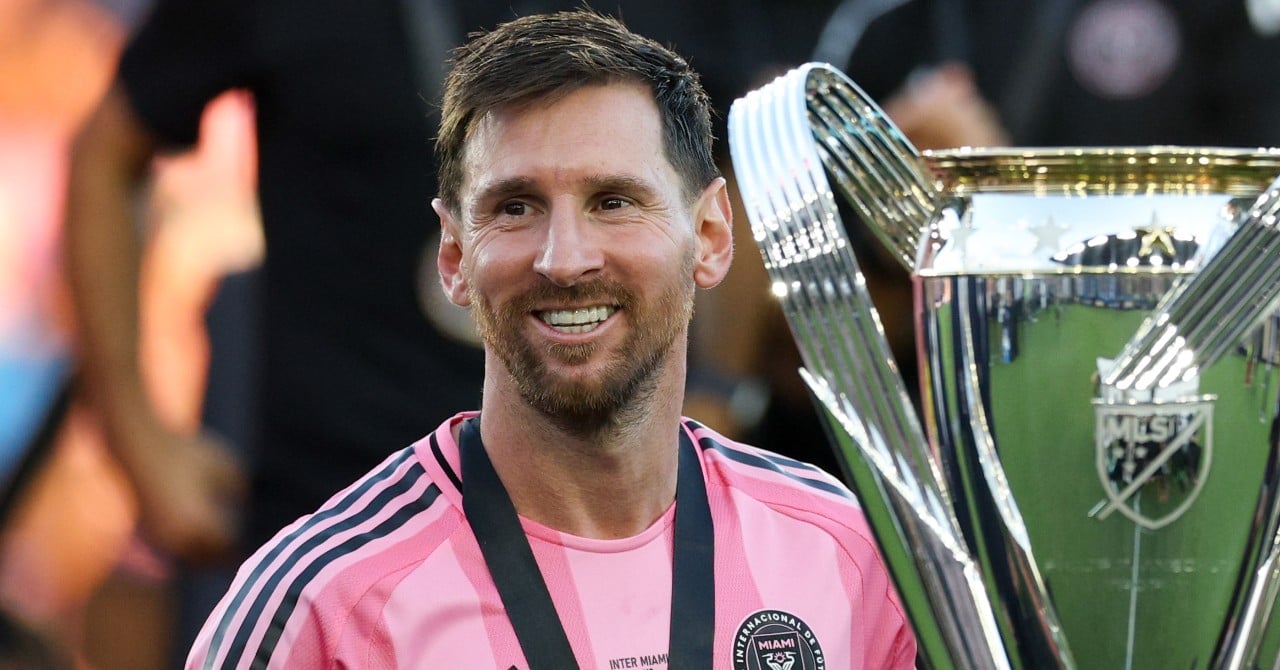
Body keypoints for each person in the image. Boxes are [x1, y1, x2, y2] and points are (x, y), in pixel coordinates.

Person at [185, 10, 916, 669]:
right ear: (453, 256)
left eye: (613, 202)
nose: (564, 259)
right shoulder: (321, 607)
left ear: (711, 234)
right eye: (516, 206)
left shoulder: (843, 555)